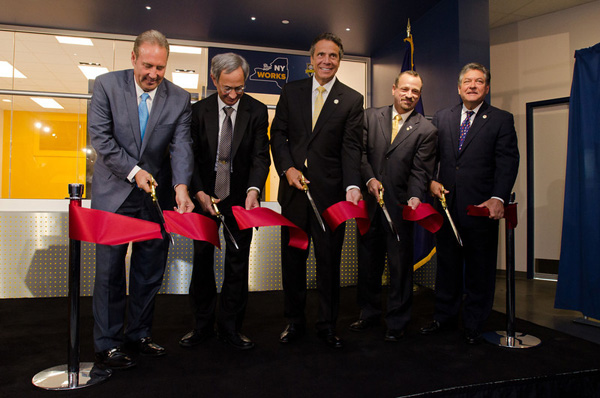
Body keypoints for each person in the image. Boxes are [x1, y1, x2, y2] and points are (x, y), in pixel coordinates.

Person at [89, 30, 194, 369]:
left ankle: (139, 334)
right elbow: (101, 140)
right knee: (109, 272)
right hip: (114, 192)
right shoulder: (106, 86)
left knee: (149, 270)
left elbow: (181, 146)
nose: (154, 74)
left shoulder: (179, 98)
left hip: (154, 197)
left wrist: (180, 186)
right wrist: (134, 171)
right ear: (133, 58)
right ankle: (107, 343)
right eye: (147, 65)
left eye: (160, 67)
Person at [270, 32, 364, 349]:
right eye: (321, 55)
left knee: (328, 263)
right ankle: (294, 322)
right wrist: (288, 168)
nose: (326, 61)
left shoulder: (352, 99)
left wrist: (352, 185)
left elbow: (352, 149)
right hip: (295, 195)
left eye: (333, 56)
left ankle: (327, 324)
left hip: (330, 199)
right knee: (293, 261)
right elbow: (278, 135)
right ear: (311, 60)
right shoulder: (291, 91)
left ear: (339, 60)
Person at [419, 62, 519, 344]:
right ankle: (444, 317)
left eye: (479, 81)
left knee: (480, 268)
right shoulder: (442, 117)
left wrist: (499, 197)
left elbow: (508, 162)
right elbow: (430, 157)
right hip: (447, 207)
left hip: (481, 209)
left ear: (486, 88)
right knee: (448, 266)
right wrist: (430, 181)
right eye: (467, 81)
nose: (472, 86)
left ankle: (474, 322)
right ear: (459, 87)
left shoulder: (501, 119)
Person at [179, 53, 270, 350]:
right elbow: (187, 156)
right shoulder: (197, 111)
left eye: (239, 88)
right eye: (226, 88)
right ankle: (202, 325)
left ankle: (230, 327)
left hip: (240, 197)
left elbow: (260, 156)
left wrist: (254, 190)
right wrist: (199, 191)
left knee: (237, 264)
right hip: (204, 196)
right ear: (214, 80)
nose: (233, 96)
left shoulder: (256, 111)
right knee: (202, 261)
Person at [349, 71, 437, 341]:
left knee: (400, 268)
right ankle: (369, 313)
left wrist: (415, 196)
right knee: (368, 263)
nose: (409, 95)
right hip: (370, 206)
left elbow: (420, 171)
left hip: (400, 208)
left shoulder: (426, 129)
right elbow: (360, 154)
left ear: (419, 95)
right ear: (394, 89)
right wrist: (370, 178)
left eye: (415, 92)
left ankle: (397, 321)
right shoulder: (369, 116)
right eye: (405, 89)